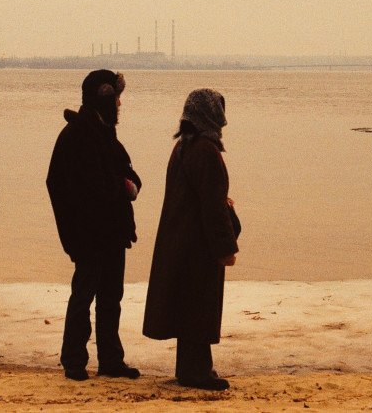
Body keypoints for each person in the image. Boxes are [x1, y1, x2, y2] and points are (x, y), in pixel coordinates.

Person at [46, 69, 142, 381]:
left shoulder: (102, 133)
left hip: (111, 234)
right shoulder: (77, 135)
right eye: (117, 98)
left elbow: (123, 174)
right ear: (105, 99)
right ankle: (73, 360)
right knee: (84, 297)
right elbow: (64, 186)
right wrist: (73, 234)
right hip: (90, 236)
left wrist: (129, 185)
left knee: (111, 299)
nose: (120, 105)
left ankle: (111, 360)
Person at [142, 88, 238, 391]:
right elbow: (211, 206)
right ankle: (196, 372)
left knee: (189, 305)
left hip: (181, 239)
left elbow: (198, 197)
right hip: (198, 243)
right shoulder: (205, 150)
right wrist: (225, 248)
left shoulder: (184, 146)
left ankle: (192, 368)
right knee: (199, 304)